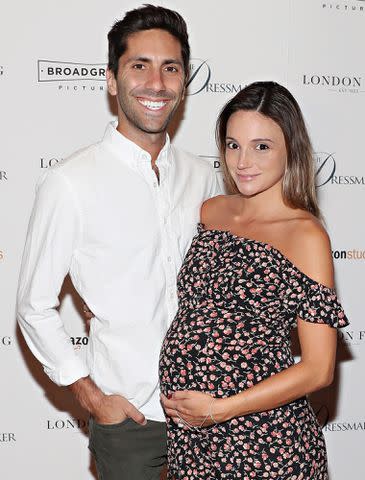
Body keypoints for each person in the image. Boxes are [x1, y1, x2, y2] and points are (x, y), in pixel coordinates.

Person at [17, 5, 221, 480]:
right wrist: (89, 395)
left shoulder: (203, 177)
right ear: (112, 80)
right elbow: (33, 304)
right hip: (130, 421)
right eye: (139, 66)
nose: (156, 83)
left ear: (184, 83)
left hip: (211, 412)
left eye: (170, 68)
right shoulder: (71, 182)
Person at [159, 81, 349, 479]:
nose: (243, 161)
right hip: (193, 442)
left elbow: (318, 369)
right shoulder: (211, 210)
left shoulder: (305, 235)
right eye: (233, 145)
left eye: (262, 146)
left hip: (264, 443)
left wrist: (219, 409)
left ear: (290, 149)